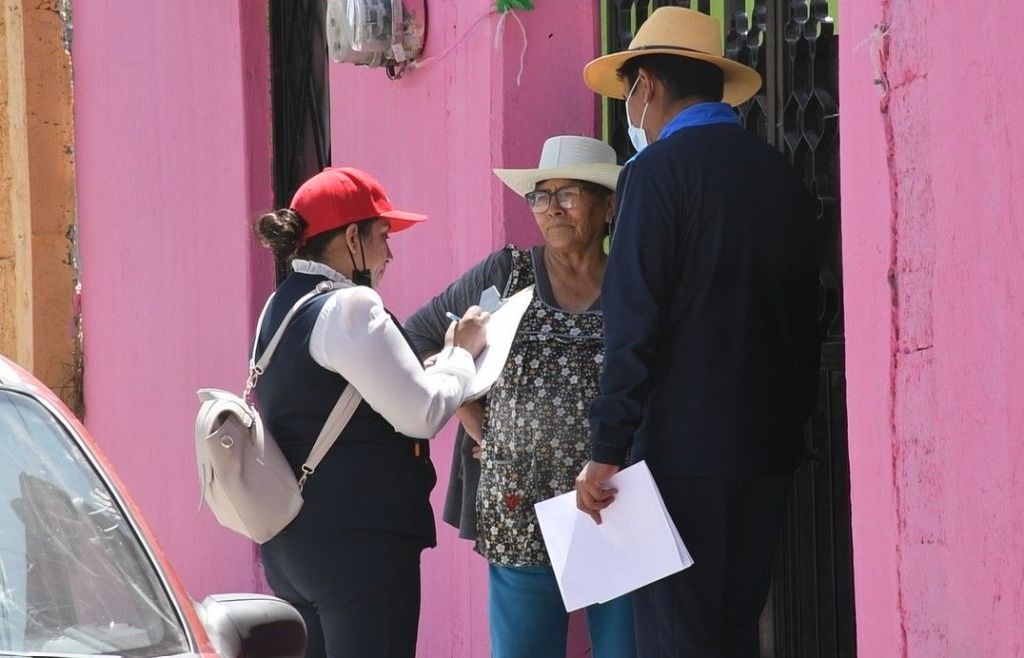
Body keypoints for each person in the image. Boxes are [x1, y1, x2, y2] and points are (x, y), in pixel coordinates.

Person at [574, 7, 821, 658]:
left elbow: (633, 325)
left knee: (676, 640)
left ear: (647, 86)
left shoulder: (653, 174)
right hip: (767, 449)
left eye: (629, 93)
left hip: (679, 460)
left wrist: (606, 447)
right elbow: (809, 315)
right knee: (736, 632)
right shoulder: (781, 175)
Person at [405, 136, 637, 658]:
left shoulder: (631, 281)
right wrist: (468, 410)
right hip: (517, 504)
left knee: (624, 649)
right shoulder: (506, 274)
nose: (552, 208)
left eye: (569, 194)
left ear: (607, 207)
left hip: (613, 500)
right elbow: (415, 338)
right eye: (540, 196)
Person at [251, 166, 488, 658]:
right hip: (359, 544)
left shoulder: (280, 306)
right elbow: (422, 413)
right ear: (352, 238)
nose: (390, 254)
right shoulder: (352, 306)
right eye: (383, 236)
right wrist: (460, 354)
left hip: (292, 543)